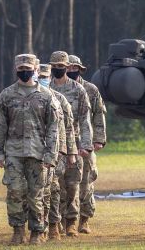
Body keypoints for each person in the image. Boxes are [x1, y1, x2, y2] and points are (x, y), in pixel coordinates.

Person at [0, 54, 60, 245]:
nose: (24, 72)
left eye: (28, 69)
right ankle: (18, 230)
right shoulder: (7, 95)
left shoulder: (46, 96)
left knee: (36, 194)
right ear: (16, 70)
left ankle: (37, 232)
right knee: (14, 192)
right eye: (21, 69)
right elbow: (0, 126)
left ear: (35, 70)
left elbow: (53, 128)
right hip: (13, 153)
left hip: (37, 153)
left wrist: (50, 154)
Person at [49, 51, 93, 237]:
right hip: (53, 144)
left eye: (62, 66)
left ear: (67, 67)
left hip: (74, 142)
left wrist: (86, 145)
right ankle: (55, 221)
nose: (58, 69)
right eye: (55, 66)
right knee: (55, 185)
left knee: (73, 184)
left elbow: (85, 120)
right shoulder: (45, 88)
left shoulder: (78, 90)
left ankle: (72, 222)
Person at [68, 55, 107, 234]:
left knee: (87, 182)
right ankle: (67, 220)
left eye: (74, 68)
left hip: (86, 142)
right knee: (66, 184)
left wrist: (98, 139)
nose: (70, 71)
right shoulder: (54, 88)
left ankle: (84, 219)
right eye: (67, 68)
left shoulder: (90, 90)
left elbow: (99, 115)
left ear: (80, 69)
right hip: (65, 143)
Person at [38, 63, 77, 241]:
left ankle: (54, 225)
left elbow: (68, 129)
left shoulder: (60, 100)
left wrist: (71, 153)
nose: (43, 80)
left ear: (50, 78)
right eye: (40, 77)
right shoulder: (30, 98)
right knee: (35, 191)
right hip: (34, 151)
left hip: (56, 152)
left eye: (45, 78)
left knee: (53, 189)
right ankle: (38, 226)